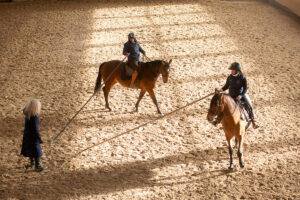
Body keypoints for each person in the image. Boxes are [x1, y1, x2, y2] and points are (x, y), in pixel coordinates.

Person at [216, 62, 260, 129]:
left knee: (249, 105)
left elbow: (245, 88)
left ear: (237, 70)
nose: (231, 71)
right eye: (231, 70)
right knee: (223, 106)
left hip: (241, 95)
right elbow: (226, 86)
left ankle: (253, 121)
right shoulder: (230, 77)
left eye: (233, 70)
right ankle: (221, 122)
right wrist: (220, 89)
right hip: (231, 95)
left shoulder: (242, 78)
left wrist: (240, 95)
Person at [21, 99, 47, 172]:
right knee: (36, 151)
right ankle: (37, 166)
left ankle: (32, 163)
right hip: (33, 136)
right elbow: (35, 129)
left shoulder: (27, 114)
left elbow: (24, 109)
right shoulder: (34, 116)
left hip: (27, 135)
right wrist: (39, 138)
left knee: (31, 150)